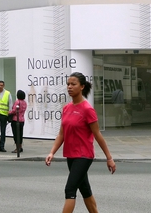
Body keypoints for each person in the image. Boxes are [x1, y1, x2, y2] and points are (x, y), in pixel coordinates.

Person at [45, 72, 116, 213]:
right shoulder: (66, 108)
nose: (69, 87)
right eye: (68, 84)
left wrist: (109, 158)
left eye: (73, 84)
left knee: (70, 189)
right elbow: (61, 134)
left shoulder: (87, 109)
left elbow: (98, 135)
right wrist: (52, 152)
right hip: (71, 155)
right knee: (85, 190)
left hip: (84, 156)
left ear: (82, 86)